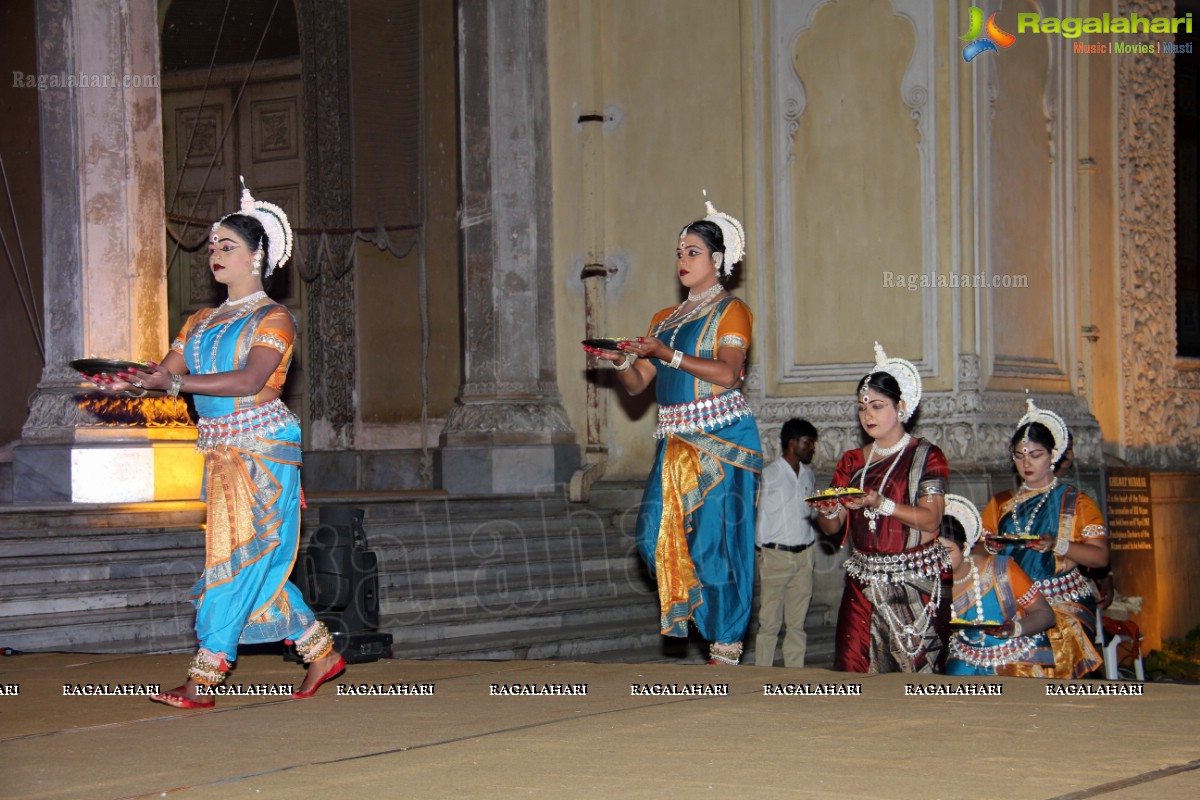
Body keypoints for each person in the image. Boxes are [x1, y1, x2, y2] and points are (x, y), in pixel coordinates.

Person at [82, 179, 345, 707]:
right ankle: (321, 653)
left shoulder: (275, 317)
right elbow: (166, 372)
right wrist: (130, 380)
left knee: (236, 559)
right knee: (255, 559)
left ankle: (204, 678)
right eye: (212, 248)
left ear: (258, 257)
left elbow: (250, 381)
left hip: (262, 449)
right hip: (221, 450)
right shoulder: (201, 321)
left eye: (229, 247)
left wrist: (172, 385)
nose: (216, 256)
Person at [583, 194, 762, 665]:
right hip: (676, 441)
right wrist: (622, 359)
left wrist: (666, 355)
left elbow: (728, 374)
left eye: (693, 252)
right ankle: (714, 627)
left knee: (714, 548)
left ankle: (724, 648)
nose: (683, 260)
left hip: (723, 441)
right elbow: (640, 383)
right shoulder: (664, 319)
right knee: (651, 538)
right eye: (679, 252)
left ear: (718, 259)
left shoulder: (733, 311)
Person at [812, 342, 949, 674]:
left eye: (877, 406)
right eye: (861, 407)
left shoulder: (927, 455)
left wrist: (881, 503)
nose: (867, 415)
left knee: (916, 682)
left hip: (917, 588)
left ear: (900, 406)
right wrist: (829, 509)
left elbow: (931, 521)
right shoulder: (853, 461)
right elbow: (832, 530)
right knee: (851, 673)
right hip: (863, 586)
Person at [981, 398, 1109, 678]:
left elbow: (1100, 557)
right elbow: (979, 551)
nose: (1025, 463)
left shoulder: (1076, 502)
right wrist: (989, 548)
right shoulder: (1000, 502)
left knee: (1031, 650)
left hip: (1062, 603)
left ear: (1053, 455)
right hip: (1012, 598)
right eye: (1018, 455)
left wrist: (1057, 544)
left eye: (1035, 455)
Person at [940, 494, 1056, 677]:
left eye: (947, 551)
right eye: (933, 552)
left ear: (964, 548)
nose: (940, 560)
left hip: (1016, 662)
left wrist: (1015, 629)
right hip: (963, 663)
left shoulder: (1000, 570)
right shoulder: (929, 582)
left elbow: (1046, 615)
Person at [754, 419, 820, 667]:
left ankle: (795, 676)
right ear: (793, 443)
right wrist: (763, 553)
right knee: (769, 622)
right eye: (808, 442)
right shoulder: (768, 475)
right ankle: (761, 677)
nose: (812, 448)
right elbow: (756, 515)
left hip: (805, 555)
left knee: (797, 624)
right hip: (775, 554)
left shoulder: (808, 475)